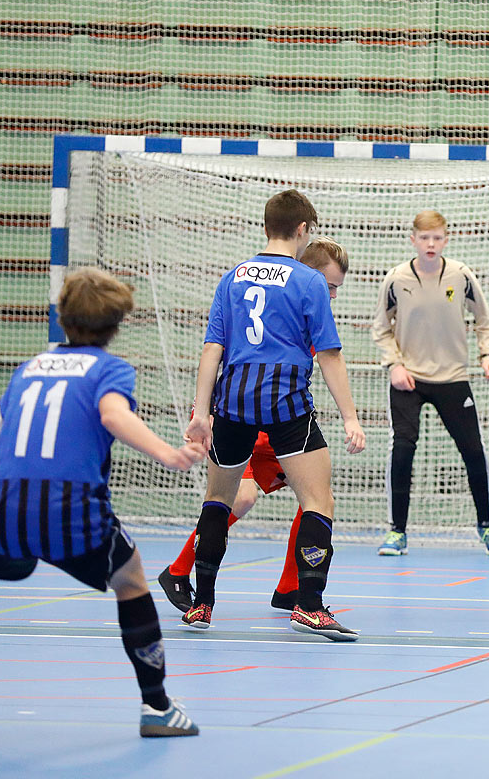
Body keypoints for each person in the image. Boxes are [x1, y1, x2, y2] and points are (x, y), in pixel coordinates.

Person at [0, 268, 207, 738]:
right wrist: (168, 453)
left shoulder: (27, 371)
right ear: (115, 325)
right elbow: (111, 413)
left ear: (62, 318)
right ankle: (157, 706)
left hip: (5, 506)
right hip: (73, 510)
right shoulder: (111, 369)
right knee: (131, 579)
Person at [182, 189, 366, 641]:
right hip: (284, 401)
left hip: (232, 401)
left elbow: (213, 349)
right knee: (317, 502)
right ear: (303, 230)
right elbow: (329, 355)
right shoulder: (307, 281)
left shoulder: (233, 277)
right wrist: (350, 417)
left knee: (218, 500)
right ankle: (309, 604)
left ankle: (202, 604)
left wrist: (202, 412)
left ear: (267, 227)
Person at [157, 238, 350, 614]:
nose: (332, 296)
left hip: (271, 423)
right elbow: (219, 352)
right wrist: (202, 412)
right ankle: (180, 572)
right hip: (250, 419)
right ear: (308, 276)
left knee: (313, 495)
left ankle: (288, 588)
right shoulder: (279, 305)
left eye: (336, 290)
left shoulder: (304, 310)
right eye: (329, 287)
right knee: (254, 497)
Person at [372, 211, 489, 557]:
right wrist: (394, 365)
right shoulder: (396, 279)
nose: (431, 244)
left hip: (453, 377)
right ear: (413, 239)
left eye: (437, 238)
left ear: (446, 239)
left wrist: (487, 355)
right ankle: (396, 532)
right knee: (402, 450)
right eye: (424, 238)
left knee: (473, 451)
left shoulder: (461, 275)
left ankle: (487, 526)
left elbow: (484, 320)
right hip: (409, 379)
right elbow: (381, 327)